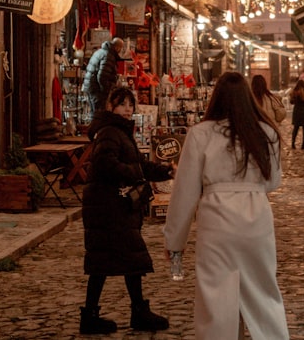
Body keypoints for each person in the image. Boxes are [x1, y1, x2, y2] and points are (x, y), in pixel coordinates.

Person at [163, 72, 288, 340]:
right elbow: (273, 181)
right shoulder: (267, 132)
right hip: (256, 218)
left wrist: (175, 242)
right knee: (263, 291)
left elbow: (185, 192)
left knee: (216, 297)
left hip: (217, 221)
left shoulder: (200, 134)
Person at [80, 87, 174, 335]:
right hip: (109, 207)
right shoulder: (110, 132)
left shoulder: (119, 131)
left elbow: (138, 164)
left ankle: (119, 312)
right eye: (122, 104)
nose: (128, 109)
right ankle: (129, 313)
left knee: (123, 259)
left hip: (112, 207)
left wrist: (162, 170)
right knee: (122, 259)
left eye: (130, 105)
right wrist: (137, 174)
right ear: (111, 106)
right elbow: (105, 164)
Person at [81, 37, 124, 114]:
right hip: (97, 89)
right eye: (121, 48)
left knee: (94, 112)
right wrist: (106, 91)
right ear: (117, 47)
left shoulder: (101, 52)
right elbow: (102, 77)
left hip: (91, 86)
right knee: (98, 113)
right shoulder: (108, 56)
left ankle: (94, 125)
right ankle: (96, 126)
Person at [289, 78, 304, 149]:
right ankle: (303, 145)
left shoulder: (295, 92)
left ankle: (293, 144)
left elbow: (291, 102)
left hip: (297, 112)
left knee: (295, 128)